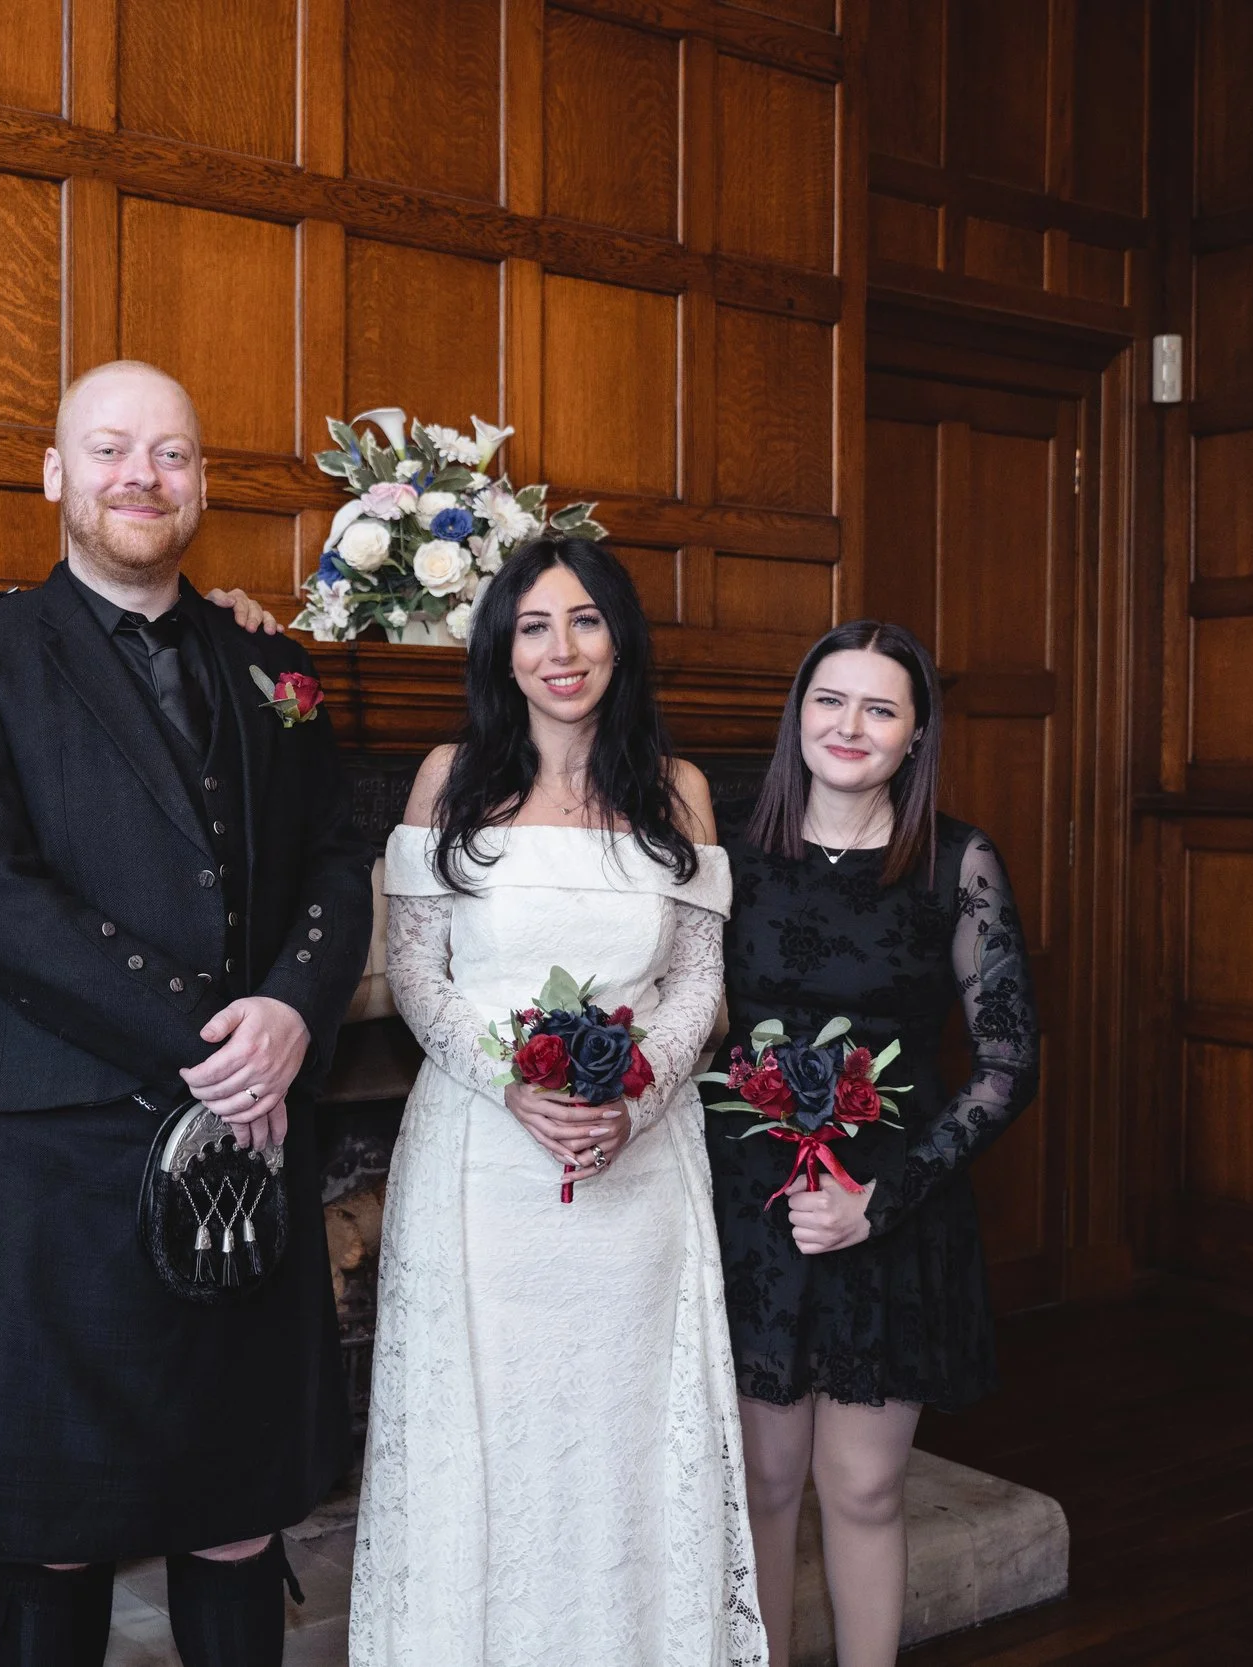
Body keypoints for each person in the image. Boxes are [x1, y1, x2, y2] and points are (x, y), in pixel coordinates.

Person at [0, 359, 372, 1667]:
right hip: (51, 1145)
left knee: (236, 1510)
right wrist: (220, 1033)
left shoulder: (274, 660)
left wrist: (293, 1005)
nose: (141, 476)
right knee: (50, 1519)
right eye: (110, 449)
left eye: (170, 453)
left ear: (201, 482)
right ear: (57, 475)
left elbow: (339, 855)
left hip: (251, 1139)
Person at [350, 539, 767, 1667]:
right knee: (491, 1441)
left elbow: (696, 978)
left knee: (626, 1438)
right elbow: (419, 974)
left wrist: (634, 1094)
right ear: (501, 647)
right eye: (533, 626)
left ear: (619, 637)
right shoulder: (450, 777)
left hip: (638, 1175)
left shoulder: (674, 789)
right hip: (482, 1171)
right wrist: (514, 1085)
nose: (561, 649)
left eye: (584, 621)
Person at [705, 620, 1039, 1667]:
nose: (848, 725)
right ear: (796, 714)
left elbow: (1005, 1064)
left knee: (864, 1483)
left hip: (889, 1205)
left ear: (914, 735)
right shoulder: (725, 849)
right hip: (750, 1208)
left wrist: (878, 1199)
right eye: (829, 700)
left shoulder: (955, 859)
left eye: (879, 707)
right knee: (758, 1483)